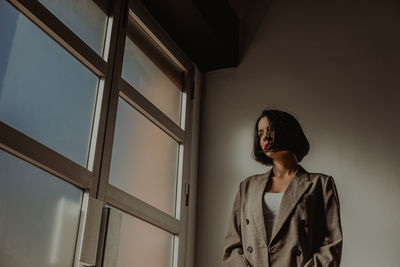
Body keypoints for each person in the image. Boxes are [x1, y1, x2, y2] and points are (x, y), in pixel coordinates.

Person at [222, 109, 343, 267]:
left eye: (270, 130)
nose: (265, 136)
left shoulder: (320, 184)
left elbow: (332, 244)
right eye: (260, 133)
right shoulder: (248, 186)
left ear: (288, 131)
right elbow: (232, 246)